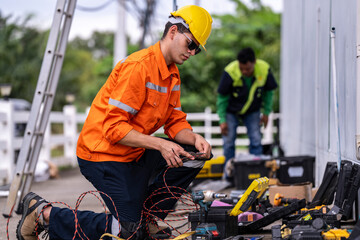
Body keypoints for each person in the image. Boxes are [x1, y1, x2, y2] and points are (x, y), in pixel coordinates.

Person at [17, 5, 213, 240]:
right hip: (102, 156)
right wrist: (160, 145)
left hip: (133, 152)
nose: (192, 53)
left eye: (197, 50)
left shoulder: (172, 75)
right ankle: (44, 214)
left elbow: (174, 121)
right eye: (191, 44)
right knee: (130, 233)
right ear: (173, 32)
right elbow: (113, 129)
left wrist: (194, 138)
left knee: (191, 156)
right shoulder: (138, 67)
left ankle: (148, 218)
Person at [216, 47, 278, 180]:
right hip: (231, 111)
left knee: (256, 140)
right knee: (229, 142)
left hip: (252, 110)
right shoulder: (230, 71)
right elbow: (222, 97)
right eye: (242, 68)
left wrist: (266, 113)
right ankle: (229, 176)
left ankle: (255, 175)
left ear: (254, 62)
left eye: (248, 69)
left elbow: (269, 93)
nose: (244, 72)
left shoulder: (264, 69)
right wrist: (222, 119)